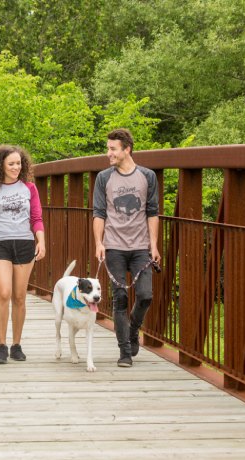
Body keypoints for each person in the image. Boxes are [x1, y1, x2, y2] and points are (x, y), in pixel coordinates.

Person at [93, 128, 160, 368]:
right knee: (119, 298)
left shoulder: (147, 176)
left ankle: (133, 328)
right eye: (108, 148)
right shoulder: (104, 178)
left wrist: (154, 245)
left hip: (141, 246)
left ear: (126, 149)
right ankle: (124, 351)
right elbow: (99, 213)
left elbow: (152, 212)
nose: (108, 153)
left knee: (145, 295)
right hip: (114, 246)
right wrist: (99, 243)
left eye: (112, 149)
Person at [0, 145, 45, 364]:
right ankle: (2, 345)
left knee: (20, 297)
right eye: (11, 164)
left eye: (19, 163)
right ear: (1, 166)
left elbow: (36, 218)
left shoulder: (29, 188)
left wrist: (41, 240)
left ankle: (16, 345)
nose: (16, 167)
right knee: (3, 293)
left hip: (24, 244)